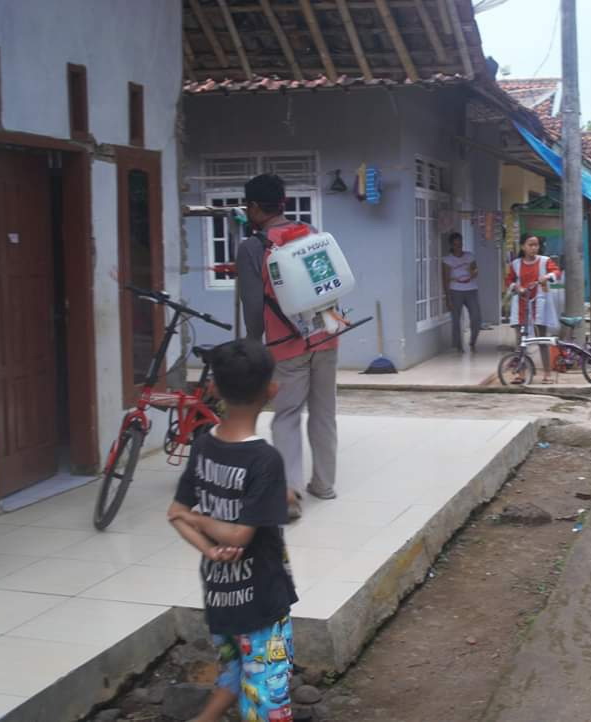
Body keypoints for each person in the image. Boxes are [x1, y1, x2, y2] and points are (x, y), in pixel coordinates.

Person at [167, 339, 298, 722]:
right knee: (268, 698)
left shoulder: (204, 446)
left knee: (235, 669)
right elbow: (240, 535)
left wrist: (207, 549)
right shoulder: (265, 459)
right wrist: (207, 524)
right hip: (259, 598)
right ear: (272, 390)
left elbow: (176, 513)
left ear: (214, 389)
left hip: (220, 592)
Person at [237, 173, 338, 519]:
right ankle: (324, 484)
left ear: (253, 207)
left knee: (287, 417)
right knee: (324, 414)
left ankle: (290, 493)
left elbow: (253, 307)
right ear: (282, 203)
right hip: (326, 338)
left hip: (285, 346)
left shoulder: (252, 247)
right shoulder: (310, 235)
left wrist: (253, 346)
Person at [505, 234, 561, 384]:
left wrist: (547, 277)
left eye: (536, 245)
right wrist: (517, 287)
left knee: (542, 340)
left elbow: (556, 272)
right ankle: (521, 373)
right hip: (521, 305)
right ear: (523, 246)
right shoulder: (515, 264)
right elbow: (508, 280)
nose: (534, 248)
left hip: (540, 305)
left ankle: (547, 374)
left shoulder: (544, 261)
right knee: (520, 342)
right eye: (530, 245)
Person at [442, 232, 482, 353]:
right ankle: (458, 345)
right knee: (456, 319)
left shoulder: (469, 256)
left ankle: (473, 340)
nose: (458, 247)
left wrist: (473, 271)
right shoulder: (447, 260)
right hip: (455, 290)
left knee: (476, 317)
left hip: (471, 289)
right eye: (455, 244)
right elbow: (445, 279)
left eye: (460, 244)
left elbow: (476, 269)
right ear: (451, 245)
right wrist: (447, 298)